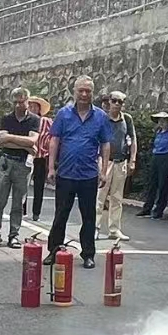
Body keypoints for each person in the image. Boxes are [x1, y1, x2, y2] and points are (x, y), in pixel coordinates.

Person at [46, 76, 113, 270]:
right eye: (81, 90)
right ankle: (54, 250)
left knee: (89, 217)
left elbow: (105, 144)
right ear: (74, 92)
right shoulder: (63, 114)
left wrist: (104, 171)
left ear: (93, 93)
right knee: (61, 214)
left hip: (88, 175)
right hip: (66, 173)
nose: (84, 94)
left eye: (88, 91)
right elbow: (54, 140)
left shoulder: (101, 116)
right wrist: (51, 167)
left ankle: (88, 254)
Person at [0, 87, 40, 249]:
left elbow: (32, 141)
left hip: (23, 164)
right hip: (6, 161)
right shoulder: (7, 118)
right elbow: (1, 141)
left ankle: (14, 234)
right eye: (15, 102)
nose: (18, 105)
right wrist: (25, 145)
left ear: (27, 101)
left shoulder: (34, 119)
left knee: (19, 202)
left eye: (21, 102)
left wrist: (10, 138)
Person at [97, 90, 136, 242]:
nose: (117, 104)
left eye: (120, 101)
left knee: (117, 198)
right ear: (109, 102)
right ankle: (95, 228)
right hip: (105, 161)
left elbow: (133, 139)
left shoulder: (127, 119)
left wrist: (132, 160)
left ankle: (114, 229)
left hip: (121, 161)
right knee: (100, 196)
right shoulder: (102, 118)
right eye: (114, 100)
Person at [138, 111, 168, 219]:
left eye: (163, 120)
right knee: (152, 183)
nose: (161, 122)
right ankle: (147, 208)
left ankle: (159, 210)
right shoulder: (158, 132)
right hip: (156, 156)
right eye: (160, 120)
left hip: (166, 157)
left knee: (163, 184)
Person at [25, 96, 54, 222]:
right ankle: (21, 210)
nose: (32, 108)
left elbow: (52, 137)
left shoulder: (46, 121)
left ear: (39, 109)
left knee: (39, 186)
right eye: (30, 106)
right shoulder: (25, 120)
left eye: (35, 106)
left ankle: (36, 213)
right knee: (22, 185)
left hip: (41, 157)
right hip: (26, 155)